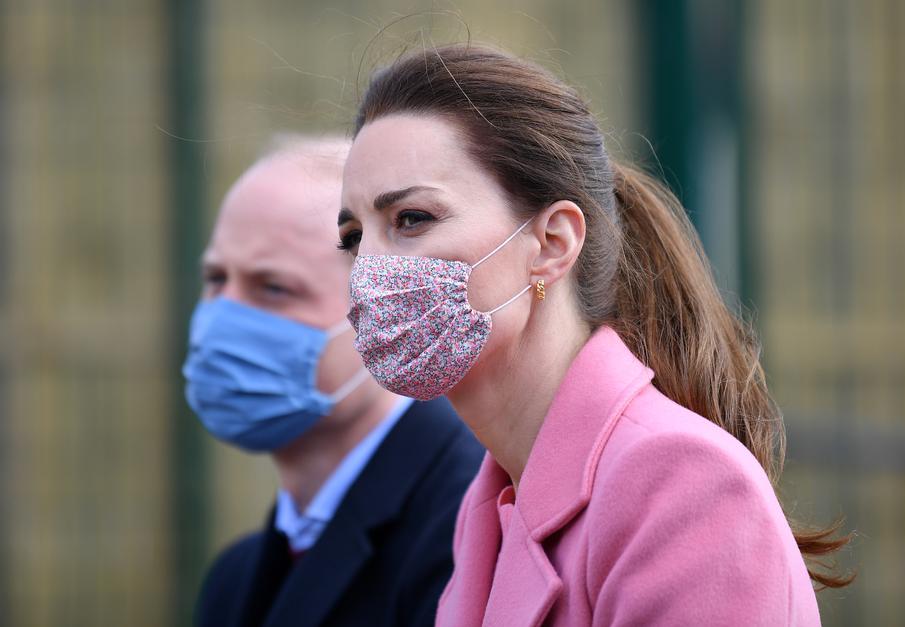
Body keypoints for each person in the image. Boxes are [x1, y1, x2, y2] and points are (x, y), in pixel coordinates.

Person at [338, 46, 851, 626]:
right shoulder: (488, 507)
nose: (367, 271)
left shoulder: (681, 483)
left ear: (553, 243)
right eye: (353, 237)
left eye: (411, 219)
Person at [184, 136, 483, 627]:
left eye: (274, 288)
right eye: (216, 279)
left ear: (381, 302)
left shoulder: (470, 529)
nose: (225, 316)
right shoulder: (234, 579)